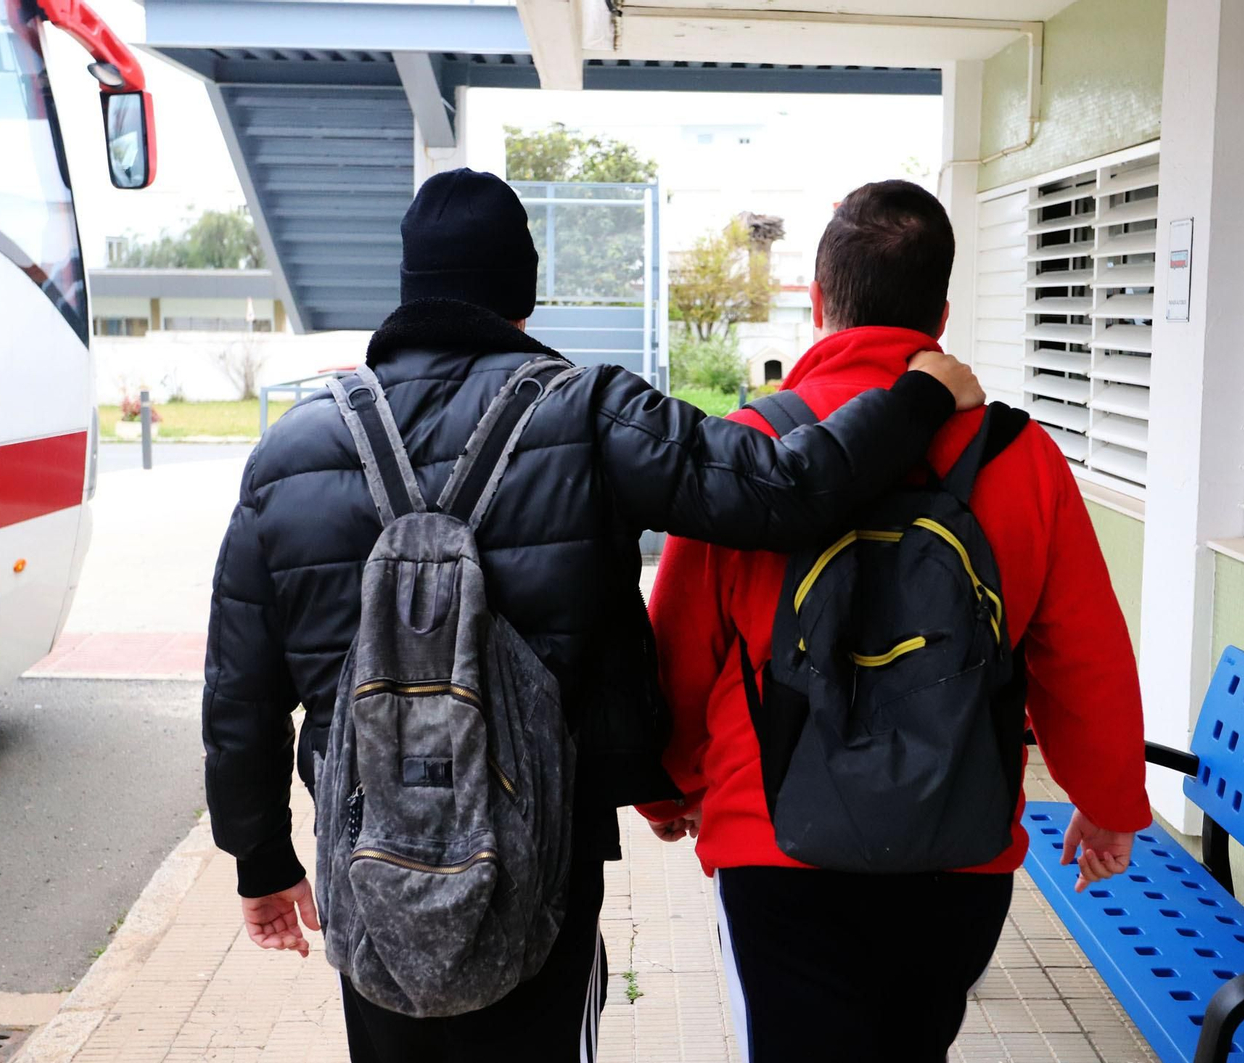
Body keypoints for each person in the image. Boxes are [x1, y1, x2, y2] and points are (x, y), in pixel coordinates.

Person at [200, 168, 987, 1062]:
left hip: (367, 844)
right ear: (523, 294)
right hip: (547, 845)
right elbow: (784, 491)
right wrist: (919, 396)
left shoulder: (291, 449)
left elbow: (239, 687)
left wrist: (260, 859)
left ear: (409, 287)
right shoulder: (589, 411)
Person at [638, 179, 1153, 1062]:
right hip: (956, 842)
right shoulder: (1019, 457)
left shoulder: (747, 452)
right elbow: (1084, 650)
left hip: (775, 843)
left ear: (817, 299)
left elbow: (680, 644)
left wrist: (667, 785)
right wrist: (1108, 803)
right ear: (941, 315)